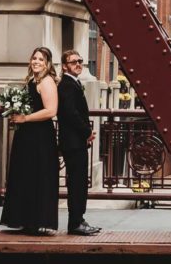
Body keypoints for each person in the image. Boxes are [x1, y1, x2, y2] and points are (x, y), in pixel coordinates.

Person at [0, 47, 60, 235]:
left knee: (38, 175)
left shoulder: (47, 82)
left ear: (47, 63)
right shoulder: (32, 80)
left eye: (41, 59)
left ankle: (37, 221)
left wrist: (25, 118)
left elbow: (51, 111)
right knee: (26, 175)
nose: (36, 62)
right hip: (28, 135)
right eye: (34, 58)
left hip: (40, 136)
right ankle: (25, 219)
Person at [58, 50, 100, 236]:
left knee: (79, 182)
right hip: (73, 142)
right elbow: (70, 113)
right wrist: (87, 132)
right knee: (77, 183)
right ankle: (75, 223)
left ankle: (79, 220)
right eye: (73, 61)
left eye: (80, 61)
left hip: (75, 141)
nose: (78, 64)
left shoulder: (73, 83)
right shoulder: (67, 85)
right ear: (65, 65)